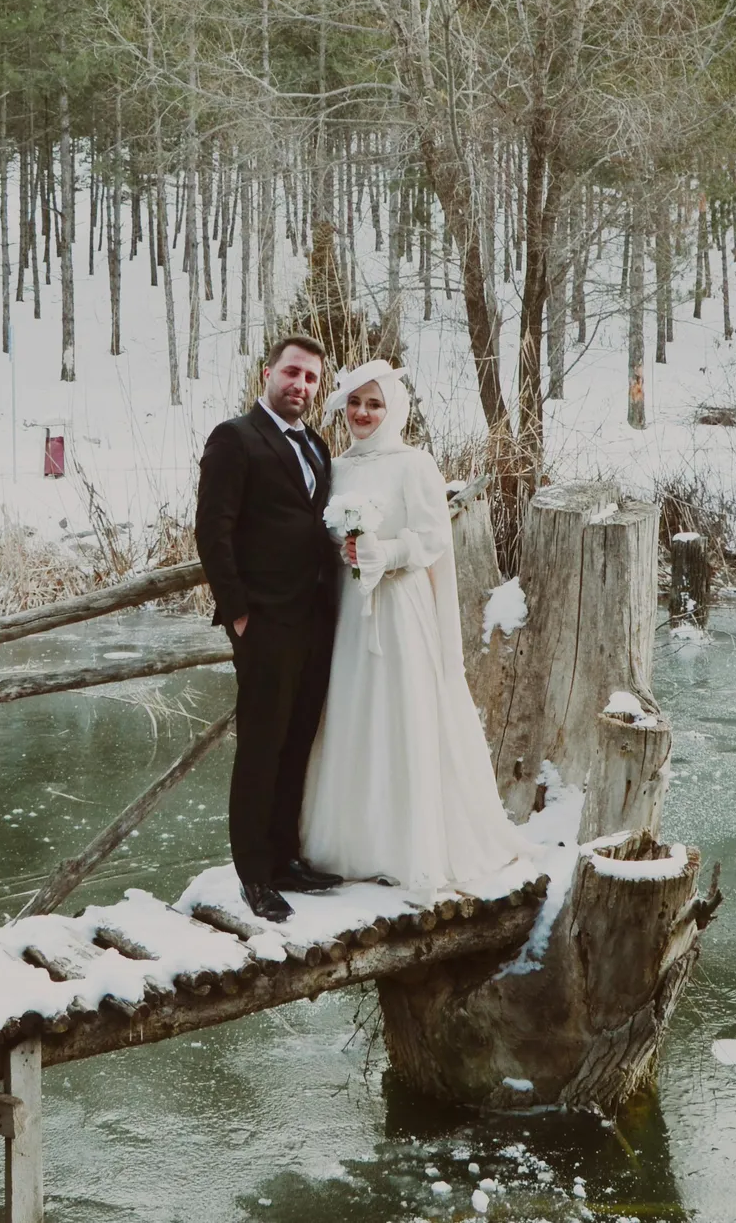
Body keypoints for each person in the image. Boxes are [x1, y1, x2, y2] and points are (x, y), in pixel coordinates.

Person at [300, 360, 529, 891]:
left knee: (401, 709)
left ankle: (407, 844)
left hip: (399, 605)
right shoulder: (337, 467)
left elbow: (432, 537)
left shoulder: (414, 464)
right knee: (352, 708)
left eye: (374, 404)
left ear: (394, 410)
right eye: (355, 403)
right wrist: (346, 549)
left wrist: (386, 553)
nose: (362, 413)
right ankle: (351, 842)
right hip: (349, 608)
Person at [193, 334, 346, 922]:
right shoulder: (235, 438)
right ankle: (254, 876)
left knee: (296, 740)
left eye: (311, 378)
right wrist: (238, 611)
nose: (300, 385)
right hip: (264, 620)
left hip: (315, 618)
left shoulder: (317, 445)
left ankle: (285, 860)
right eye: (292, 372)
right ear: (267, 373)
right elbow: (213, 530)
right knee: (261, 747)